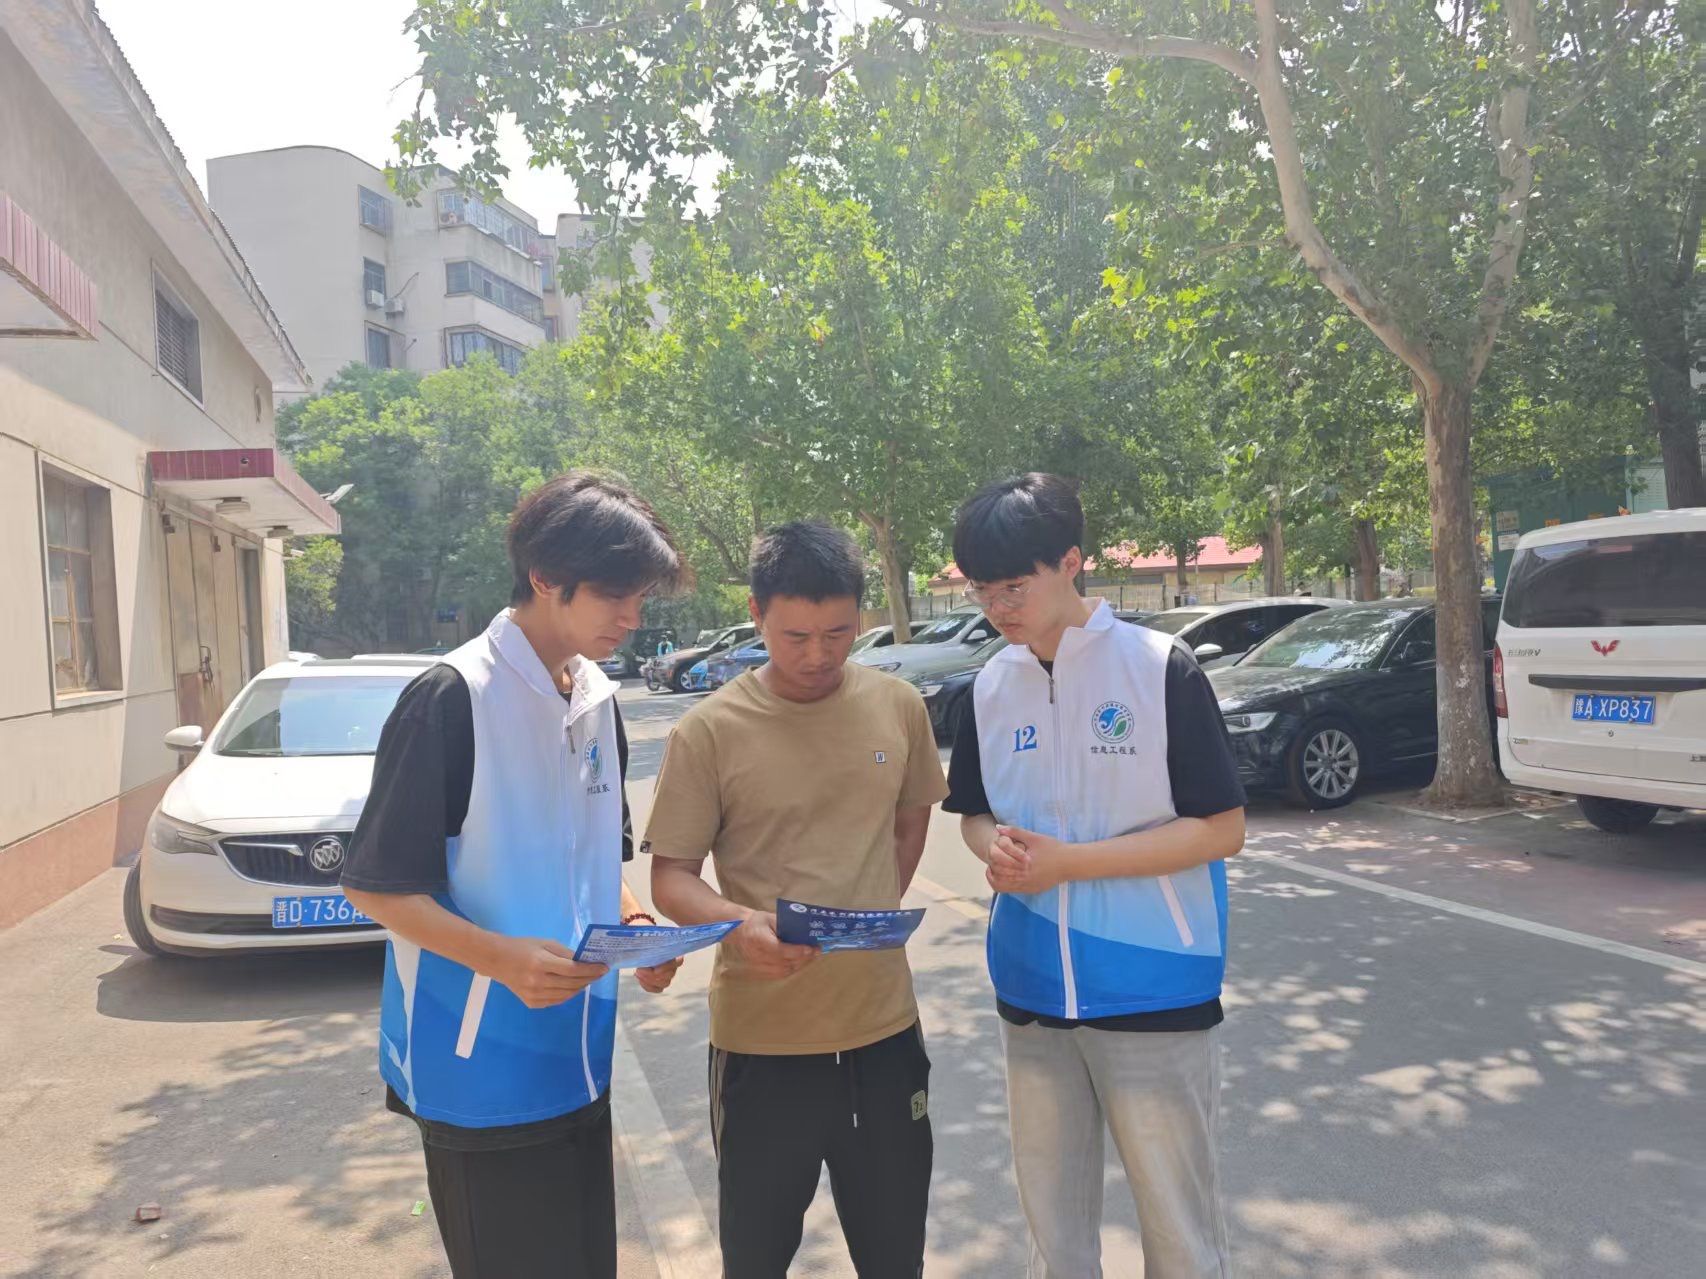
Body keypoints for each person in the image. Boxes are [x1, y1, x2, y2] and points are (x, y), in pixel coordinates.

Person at [341, 471, 689, 1279]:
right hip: (478, 1069)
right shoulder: (451, 698)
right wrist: (499, 958)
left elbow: (599, 859)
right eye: (615, 595)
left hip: (578, 1056)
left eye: (641, 597)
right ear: (544, 575)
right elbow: (374, 885)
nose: (633, 618)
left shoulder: (596, 698)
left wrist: (636, 926)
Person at [942, 473, 1246, 1279]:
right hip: (1031, 994)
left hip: (1155, 988)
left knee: (1179, 1236)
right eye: (982, 590)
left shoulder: (1159, 667)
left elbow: (1223, 827)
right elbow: (972, 812)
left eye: (1014, 585)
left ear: (1071, 562)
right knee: (1056, 1240)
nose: (997, 607)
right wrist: (993, 848)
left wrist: (1071, 862)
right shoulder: (988, 688)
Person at [644, 522, 947, 1278]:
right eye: (795, 637)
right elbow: (672, 878)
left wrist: (867, 907)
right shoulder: (709, 731)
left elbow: (911, 819)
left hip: (884, 1035)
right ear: (756, 614)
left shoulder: (898, 705)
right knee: (755, 1258)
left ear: (861, 614)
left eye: (838, 633)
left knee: (895, 1256)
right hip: (763, 1047)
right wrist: (741, 925)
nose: (818, 655)